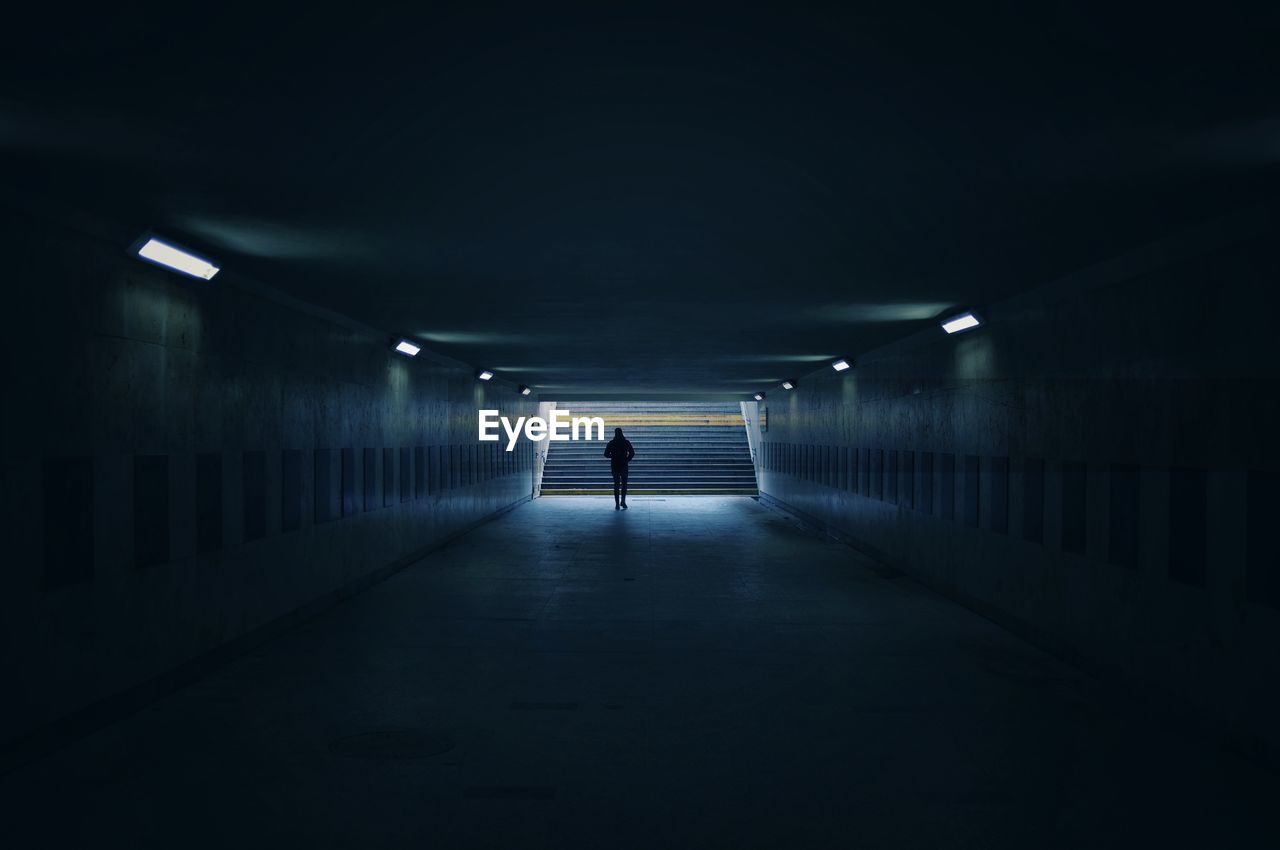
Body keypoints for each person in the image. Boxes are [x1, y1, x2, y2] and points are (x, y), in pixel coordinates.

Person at [603, 427, 635, 510]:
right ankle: (623, 502)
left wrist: (613, 456)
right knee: (624, 485)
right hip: (624, 465)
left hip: (615, 465)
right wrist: (627, 459)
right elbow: (632, 453)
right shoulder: (626, 442)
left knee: (616, 485)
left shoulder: (611, 443)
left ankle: (617, 504)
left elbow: (606, 454)